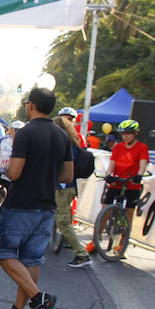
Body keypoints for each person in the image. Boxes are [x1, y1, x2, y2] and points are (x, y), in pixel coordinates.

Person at [0, 88, 73, 309]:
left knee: (3, 251)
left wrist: (4, 170)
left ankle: (38, 299)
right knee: (31, 259)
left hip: (21, 203)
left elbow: (15, 172)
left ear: (31, 106)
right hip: (47, 204)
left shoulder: (26, 134)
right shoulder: (62, 136)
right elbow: (68, 175)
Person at [86, 119, 149, 256]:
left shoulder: (142, 148)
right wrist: (109, 175)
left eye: (129, 133)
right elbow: (112, 163)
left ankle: (122, 244)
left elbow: (143, 163)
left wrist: (139, 174)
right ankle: (95, 242)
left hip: (132, 184)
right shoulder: (118, 147)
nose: (126, 136)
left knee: (128, 214)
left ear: (135, 134)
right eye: (124, 133)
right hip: (117, 181)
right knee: (105, 210)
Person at [52, 115, 92, 268]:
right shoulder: (73, 143)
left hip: (62, 187)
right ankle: (70, 243)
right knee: (65, 219)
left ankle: (81, 254)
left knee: (63, 222)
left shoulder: (62, 144)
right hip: (70, 186)